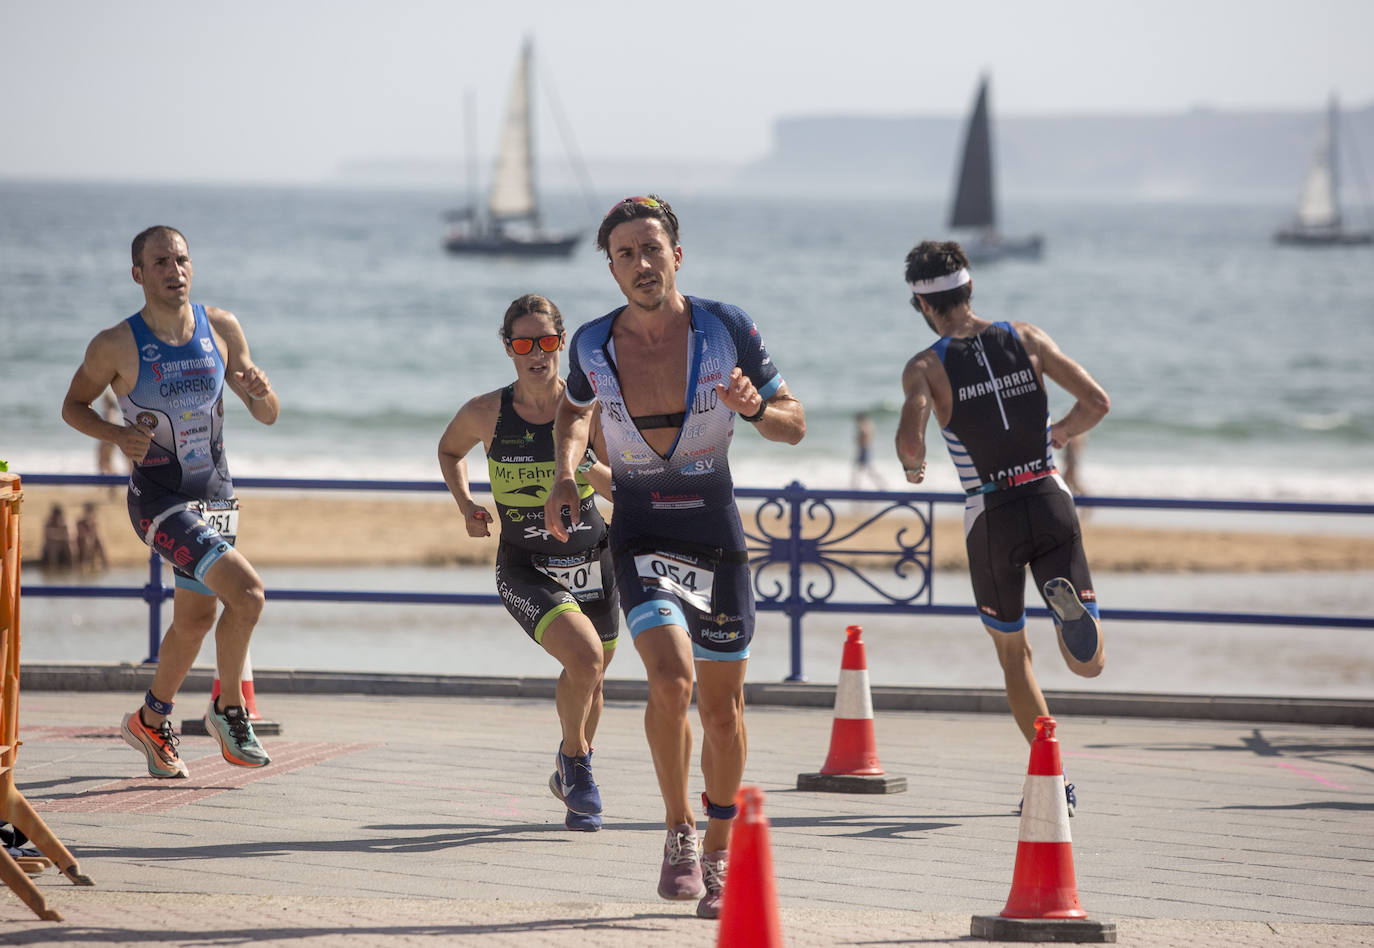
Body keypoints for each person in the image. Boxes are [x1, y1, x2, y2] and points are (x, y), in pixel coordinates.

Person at [544, 195, 805, 919]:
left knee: (723, 712)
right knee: (670, 679)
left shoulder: (728, 328)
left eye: (652, 249)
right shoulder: (592, 343)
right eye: (625, 254)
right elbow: (572, 409)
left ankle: (720, 849)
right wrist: (568, 472)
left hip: (715, 534)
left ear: (677, 255)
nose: (641, 264)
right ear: (611, 267)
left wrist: (753, 409)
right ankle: (679, 832)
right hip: (640, 531)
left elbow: (795, 425)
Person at [894, 240, 1108, 813]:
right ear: (970, 289)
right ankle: (1073, 617)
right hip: (1047, 493)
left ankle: (1052, 775)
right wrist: (1060, 431)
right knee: (1089, 665)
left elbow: (911, 434)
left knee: (1014, 655)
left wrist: (914, 465)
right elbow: (1097, 401)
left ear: (921, 305)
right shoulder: (1027, 338)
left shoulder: (925, 366)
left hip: (991, 515)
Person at [60, 225, 278, 779]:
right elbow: (73, 407)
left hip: (217, 496)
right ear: (138, 274)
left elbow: (269, 413)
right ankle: (229, 711)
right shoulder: (115, 344)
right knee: (248, 594)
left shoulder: (221, 327)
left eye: (180, 259)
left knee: (196, 619)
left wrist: (257, 389)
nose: (173, 270)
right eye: (160, 261)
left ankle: (150, 721)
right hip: (159, 501)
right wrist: (115, 437)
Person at [437, 293, 620, 833]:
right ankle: (576, 764)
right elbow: (449, 451)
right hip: (527, 566)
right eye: (523, 344)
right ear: (508, 349)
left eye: (545, 341)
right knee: (584, 661)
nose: (536, 353)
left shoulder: (591, 410)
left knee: (594, 680)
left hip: (594, 560)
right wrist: (466, 504)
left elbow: (619, 488)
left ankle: (572, 775)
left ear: (561, 343)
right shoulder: (485, 412)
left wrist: (584, 464)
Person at [851, 411, 886, 490]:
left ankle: (881, 484)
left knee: (866, 470)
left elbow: (863, 437)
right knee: (863, 470)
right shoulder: (869, 425)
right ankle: (856, 486)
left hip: (864, 450)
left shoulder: (864, 425)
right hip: (865, 449)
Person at [74, 501, 108, 572]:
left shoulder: (94, 521)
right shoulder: (80, 521)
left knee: (99, 541)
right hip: (82, 540)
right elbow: (80, 533)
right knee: (87, 541)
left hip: (91, 540)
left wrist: (90, 523)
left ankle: (105, 565)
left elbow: (95, 532)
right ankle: (85, 564)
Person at [41, 504, 74, 571]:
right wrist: (59, 536)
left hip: (63, 544)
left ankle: (72, 566)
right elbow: (47, 535)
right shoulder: (49, 522)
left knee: (69, 545)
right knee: (53, 546)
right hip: (51, 545)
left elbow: (70, 535)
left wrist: (56, 535)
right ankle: (53, 568)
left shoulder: (65, 522)